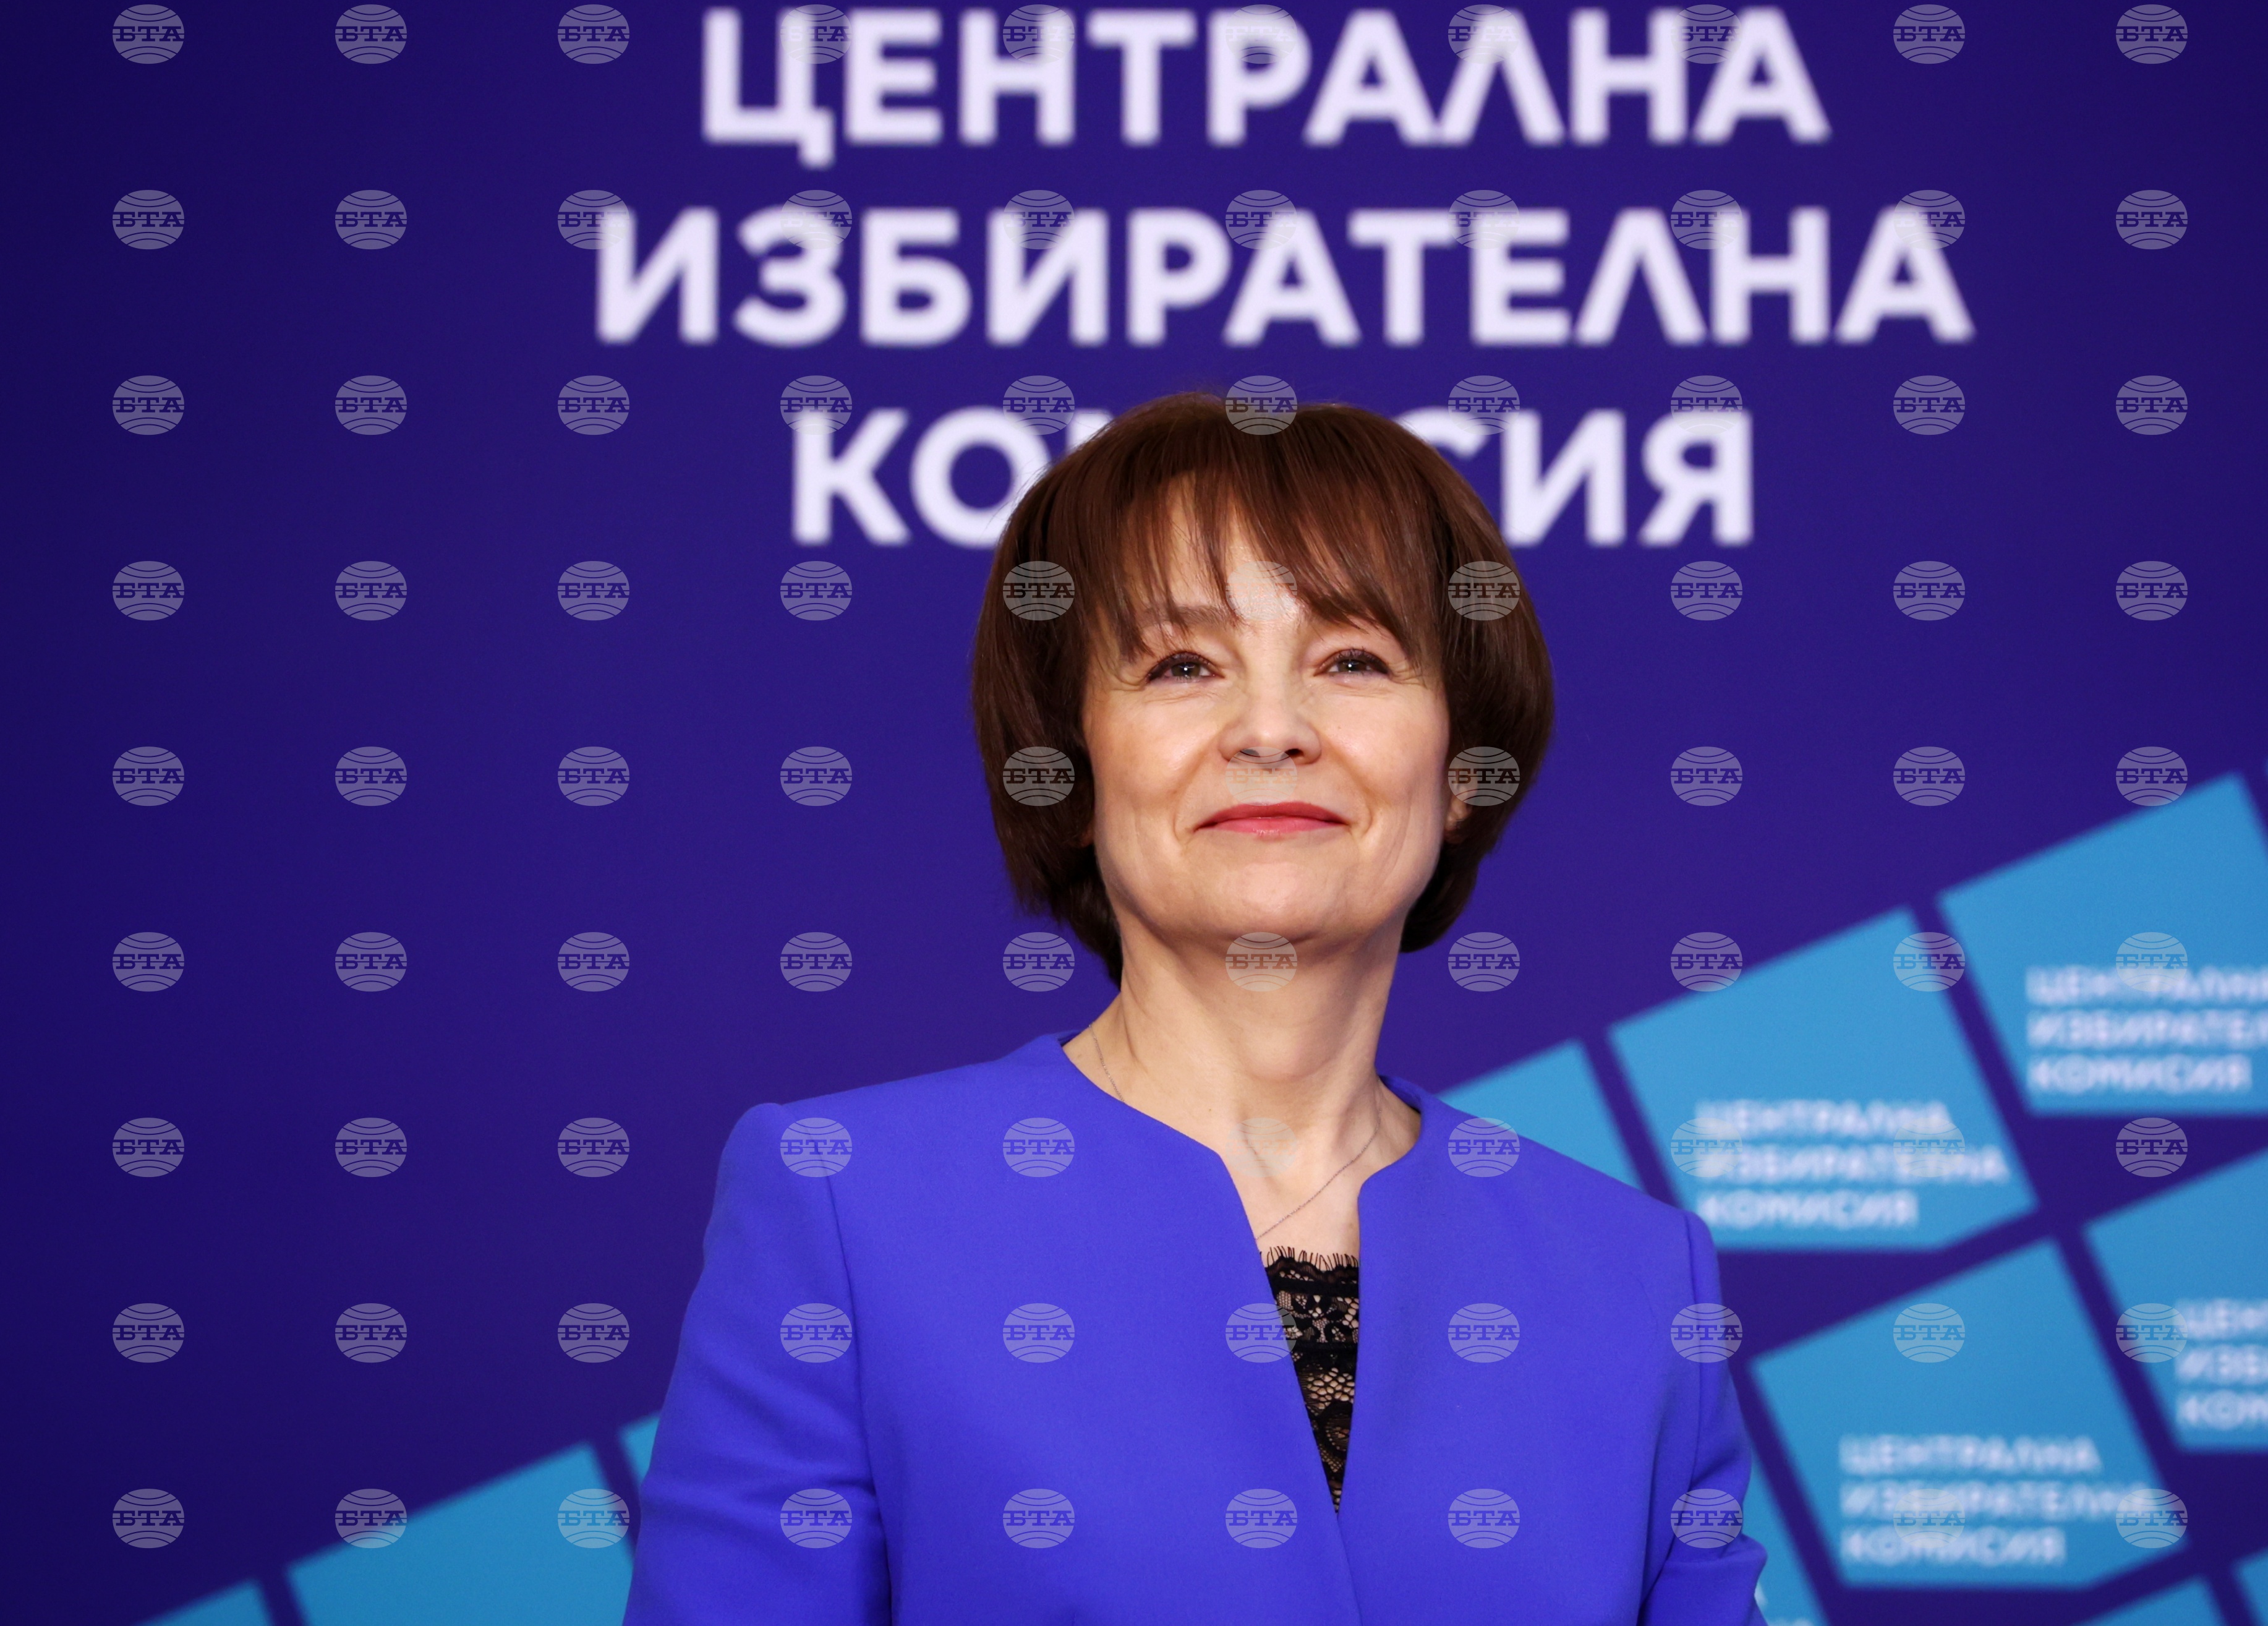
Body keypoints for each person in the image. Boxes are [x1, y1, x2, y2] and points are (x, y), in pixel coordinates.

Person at [625, 393, 1765, 1625]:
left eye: (1352, 660)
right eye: (1183, 665)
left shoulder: (1641, 1281)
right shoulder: (843, 1208)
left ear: (1459, 777)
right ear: (1071, 773)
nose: (1272, 730)